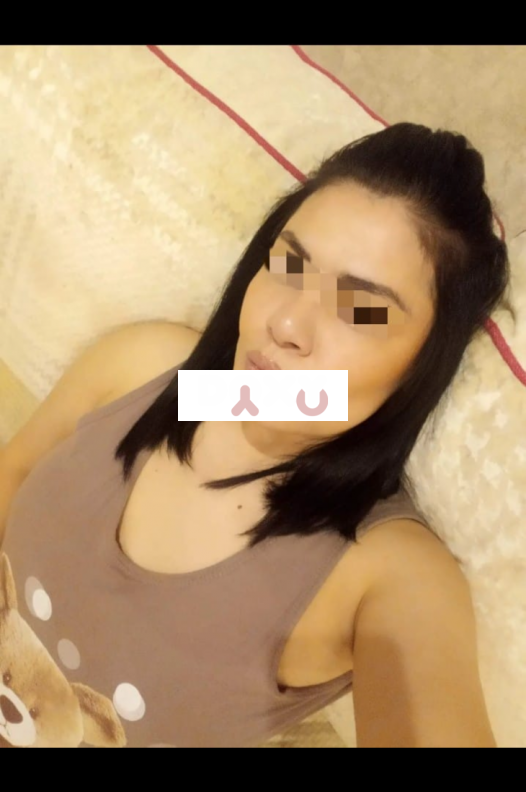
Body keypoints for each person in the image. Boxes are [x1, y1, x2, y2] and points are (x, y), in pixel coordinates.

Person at [0, 123, 508, 748]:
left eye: (360, 310)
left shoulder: (387, 572)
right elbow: (15, 469)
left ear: (423, 365)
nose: (286, 323)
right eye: (289, 264)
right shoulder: (152, 371)